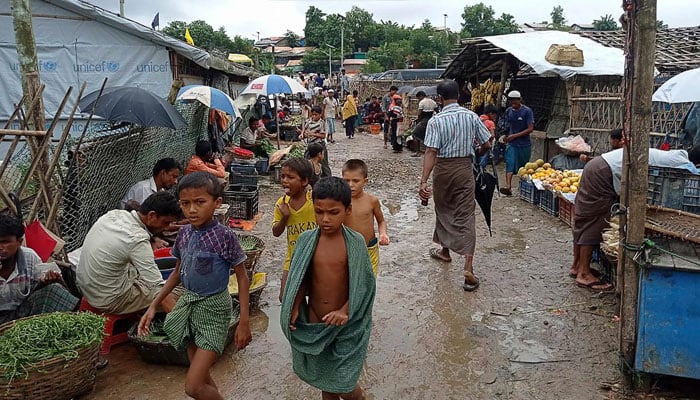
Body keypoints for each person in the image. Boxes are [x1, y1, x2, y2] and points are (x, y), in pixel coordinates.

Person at [138, 172, 251, 400]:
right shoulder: (185, 233)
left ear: (216, 203)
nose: (191, 210)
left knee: (192, 387)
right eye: (185, 203)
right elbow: (177, 273)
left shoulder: (225, 237)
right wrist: (154, 305)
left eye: (200, 202)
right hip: (189, 306)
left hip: (214, 309)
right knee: (201, 378)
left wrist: (244, 322)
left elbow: (242, 277)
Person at [280, 177, 375, 400]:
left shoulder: (355, 243)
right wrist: (294, 306)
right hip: (315, 322)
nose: (325, 219)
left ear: (347, 210)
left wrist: (345, 310)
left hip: (345, 325)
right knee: (325, 378)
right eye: (319, 212)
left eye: (333, 213)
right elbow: (301, 277)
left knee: (344, 384)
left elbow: (363, 285)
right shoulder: (306, 241)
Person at [571, 144, 699, 291]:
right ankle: (584, 273)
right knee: (594, 221)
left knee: (585, 218)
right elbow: (693, 173)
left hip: (598, 167)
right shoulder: (683, 163)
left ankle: (576, 266)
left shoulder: (677, 155)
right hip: (603, 173)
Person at [418, 80, 492, 291]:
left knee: (443, 210)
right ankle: (468, 266)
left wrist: (424, 181)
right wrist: (475, 155)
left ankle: (445, 252)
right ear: (458, 96)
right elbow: (487, 143)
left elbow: (431, 151)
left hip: (443, 170)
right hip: (464, 169)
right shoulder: (472, 116)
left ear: (440, 99)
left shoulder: (436, 121)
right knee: (466, 214)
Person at [77, 192, 182, 314]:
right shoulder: (137, 238)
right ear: (152, 215)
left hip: (87, 288)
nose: (167, 227)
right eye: (166, 223)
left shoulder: (113, 215)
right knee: (181, 291)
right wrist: (180, 325)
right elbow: (158, 289)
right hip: (109, 300)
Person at [0, 215, 79, 324]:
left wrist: (44, 283)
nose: (0, 247)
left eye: (5, 242)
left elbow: (34, 294)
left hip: (21, 314)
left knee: (54, 289)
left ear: (19, 242)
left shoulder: (30, 257)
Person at [271, 158, 317, 301]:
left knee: (316, 296)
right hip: (293, 258)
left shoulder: (314, 200)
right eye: (283, 176)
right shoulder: (282, 203)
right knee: (285, 297)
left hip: (315, 258)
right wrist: (285, 217)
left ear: (304, 181)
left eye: (290, 177)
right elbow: (276, 232)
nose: (284, 180)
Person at [342, 159, 390, 276]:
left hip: (369, 249)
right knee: (349, 280)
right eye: (346, 180)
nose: (351, 185)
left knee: (368, 281)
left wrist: (383, 234)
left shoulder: (372, 201)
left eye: (356, 181)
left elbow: (381, 221)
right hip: (347, 249)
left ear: (365, 181)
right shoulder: (341, 201)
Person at [499, 90, 534, 196]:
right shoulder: (509, 111)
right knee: (510, 163)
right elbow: (506, 125)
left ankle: (523, 188)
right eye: (511, 100)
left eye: (515, 100)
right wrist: (505, 135)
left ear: (519, 100)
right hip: (512, 144)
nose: (513, 102)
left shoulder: (527, 111)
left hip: (524, 144)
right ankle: (508, 187)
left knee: (523, 167)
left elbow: (530, 129)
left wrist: (515, 135)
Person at [300, 106, 332, 177]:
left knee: (324, 164)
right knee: (307, 161)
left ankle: (328, 178)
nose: (314, 116)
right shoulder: (309, 121)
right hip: (311, 145)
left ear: (320, 114)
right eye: (313, 114)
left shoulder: (322, 123)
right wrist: (302, 135)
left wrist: (312, 134)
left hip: (320, 145)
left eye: (316, 115)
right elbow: (304, 130)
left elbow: (323, 136)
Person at [411, 91, 438, 157]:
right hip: (431, 120)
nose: (419, 99)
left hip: (424, 120)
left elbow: (419, 114)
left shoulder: (422, 102)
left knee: (415, 134)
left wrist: (418, 121)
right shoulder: (433, 101)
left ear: (421, 96)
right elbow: (437, 111)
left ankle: (418, 152)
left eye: (418, 98)